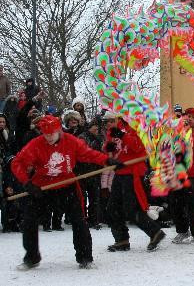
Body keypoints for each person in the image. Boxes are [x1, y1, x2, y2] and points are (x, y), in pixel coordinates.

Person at [11, 115, 115, 270]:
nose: (49, 137)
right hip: (42, 187)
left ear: (59, 130)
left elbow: (88, 154)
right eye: (45, 134)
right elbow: (17, 163)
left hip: (67, 185)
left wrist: (106, 161)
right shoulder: (36, 144)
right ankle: (31, 257)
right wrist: (27, 182)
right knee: (29, 221)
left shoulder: (71, 141)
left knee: (79, 221)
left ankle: (85, 257)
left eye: (52, 133)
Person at [103, 113, 166, 252]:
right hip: (119, 174)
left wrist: (122, 135)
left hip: (133, 174)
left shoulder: (134, 129)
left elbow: (138, 147)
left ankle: (155, 232)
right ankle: (122, 240)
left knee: (131, 209)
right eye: (105, 122)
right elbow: (111, 153)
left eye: (110, 121)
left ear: (118, 119)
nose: (107, 124)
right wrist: (109, 150)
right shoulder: (110, 133)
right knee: (112, 208)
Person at [170, 107, 194, 244]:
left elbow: (191, 145)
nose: (190, 119)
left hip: (193, 174)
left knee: (193, 206)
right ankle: (182, 231)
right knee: (177, 204)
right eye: (188, 116)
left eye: (193, 117)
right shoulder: (181, 131)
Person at [77, 120, 104, 229]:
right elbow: (82, 153)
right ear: (90, 127)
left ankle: (94, 220)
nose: (97, 130)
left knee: (95, 198)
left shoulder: (99, 139)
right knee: (82, 197)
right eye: (95, 127)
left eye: (98, 128)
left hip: (95, 171)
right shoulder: (82, 137)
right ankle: (82, 219)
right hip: (83, 171)